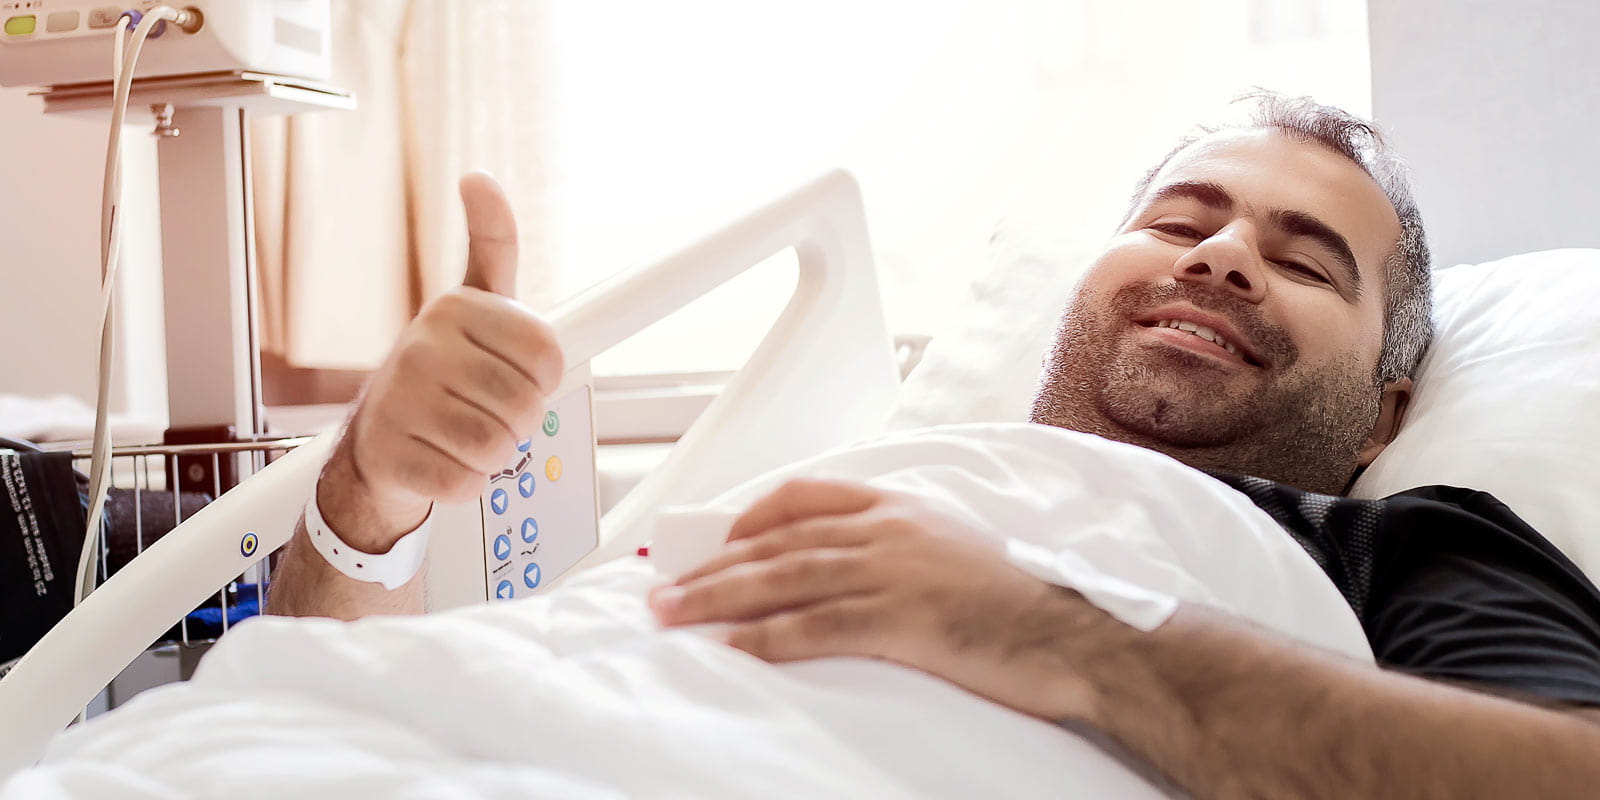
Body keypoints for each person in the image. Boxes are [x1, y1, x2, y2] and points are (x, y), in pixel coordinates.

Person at [265, 93, 1600, 797]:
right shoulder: (855, 479)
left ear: (1385, 412)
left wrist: (1050, 632)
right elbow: (378, 690)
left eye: (1306, 260)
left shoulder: (1404, 545)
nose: (1222, 255)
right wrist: (370, 493)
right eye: (1184, 215)